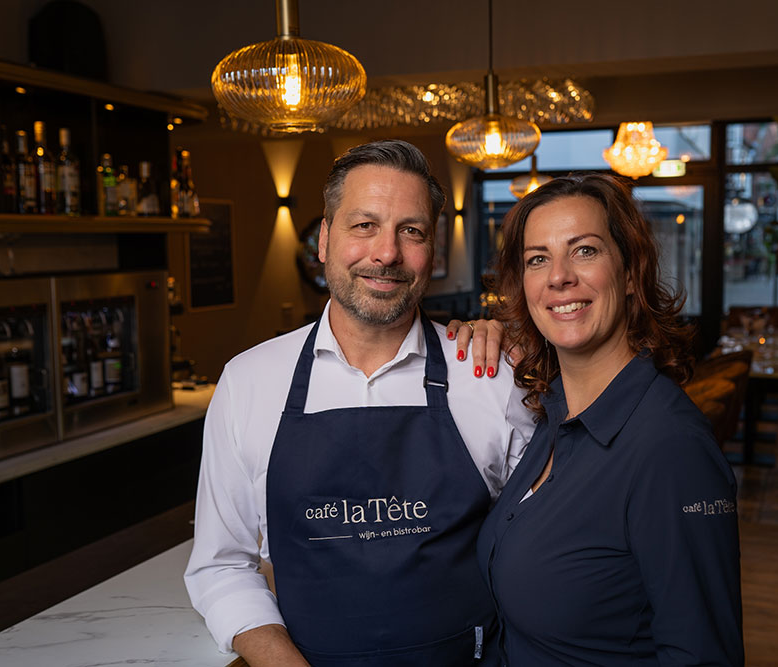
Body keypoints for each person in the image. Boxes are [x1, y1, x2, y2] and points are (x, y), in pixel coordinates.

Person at [184, 139, 536, 666]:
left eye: (411, 231)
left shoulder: (489, 374)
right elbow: (221, 566)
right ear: (325, 240)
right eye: (364, 225)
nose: (387, 253)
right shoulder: (248, 382)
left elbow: (540, 549)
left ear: (432, 249)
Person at [476, 174, 744, 666]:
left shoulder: (671, 448)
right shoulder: (553, 413)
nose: (559, 277)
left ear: (629, 274)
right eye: (537, 259)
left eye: (584, 251)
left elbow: (702, 654)